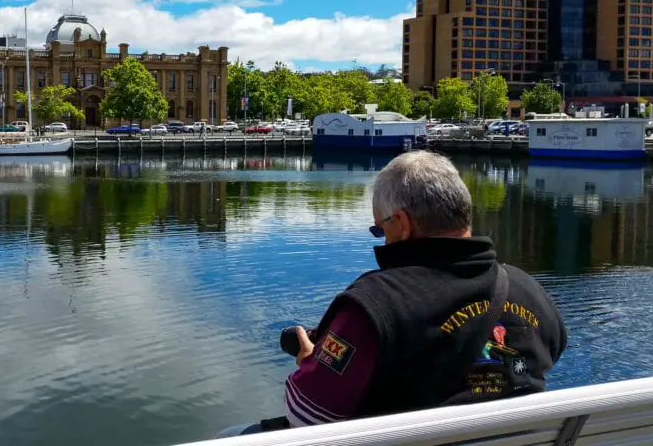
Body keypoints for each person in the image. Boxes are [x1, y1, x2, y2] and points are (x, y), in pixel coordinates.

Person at [219, 150, 567, 437]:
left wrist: (312, 362)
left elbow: (306, 417)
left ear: (401, 223)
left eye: (378, 228)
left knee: (229, 438)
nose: (381, 238)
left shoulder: (376, 304)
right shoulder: (529, 290)